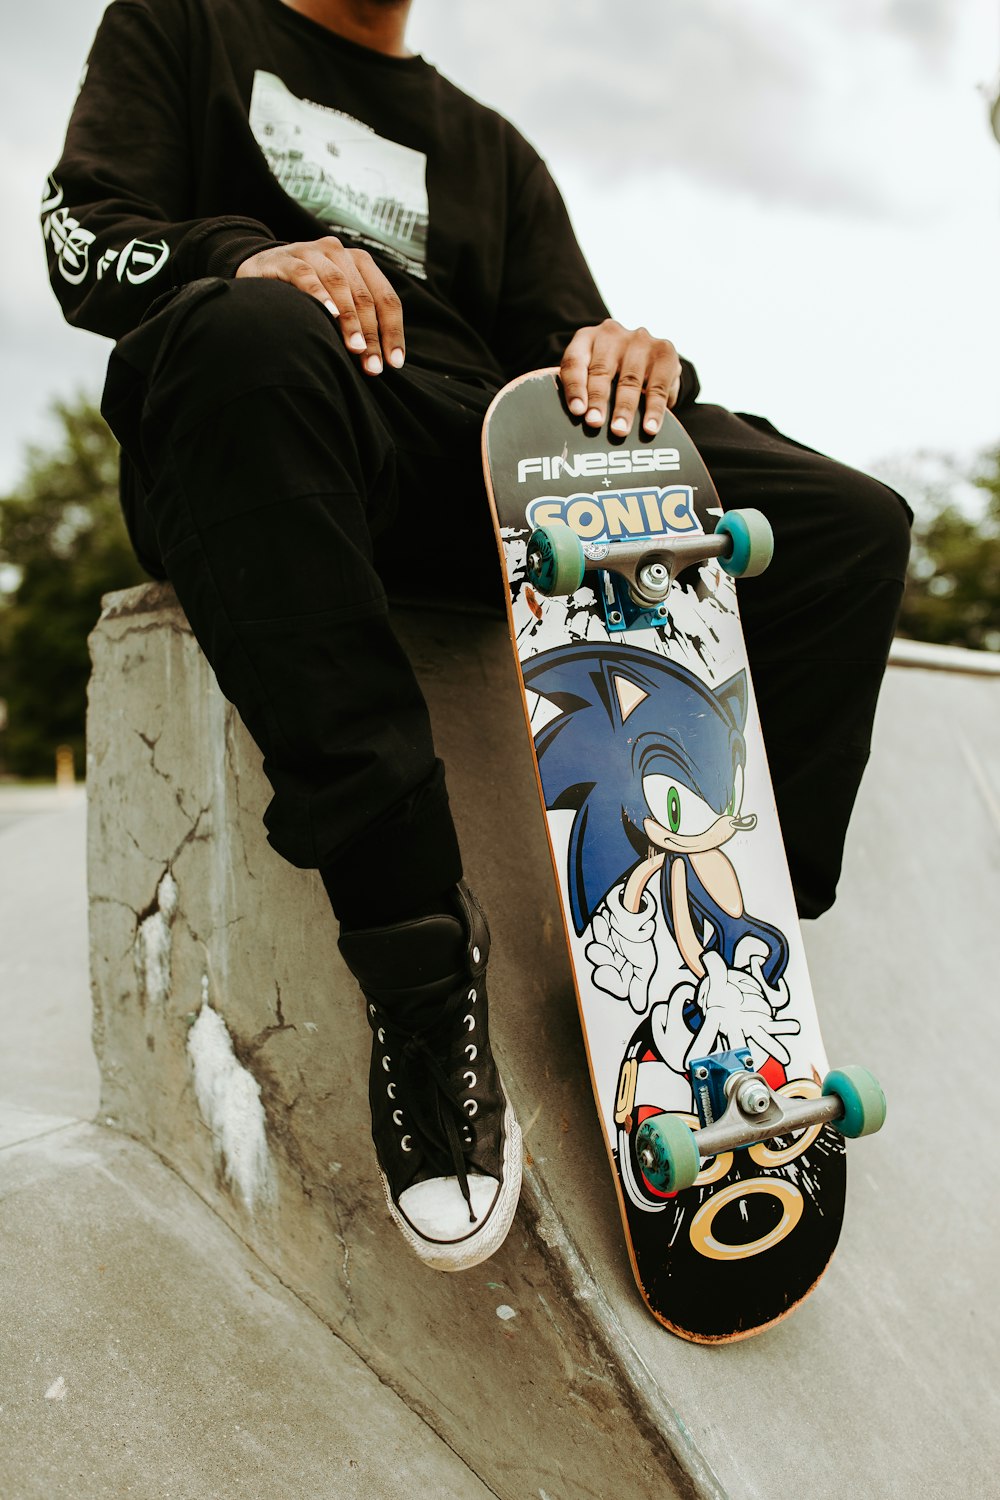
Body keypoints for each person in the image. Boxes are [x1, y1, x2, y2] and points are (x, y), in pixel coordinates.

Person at [43, 0, 911, 1273]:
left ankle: (740, 950)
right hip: (275, 425)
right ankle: (416, 967)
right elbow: (82, 242)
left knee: (845, 522)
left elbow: (566, 356)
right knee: (247, 338)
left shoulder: (488, 145)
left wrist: (623, 357)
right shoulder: (185, 26)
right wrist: (242, 255)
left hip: (478, 460)